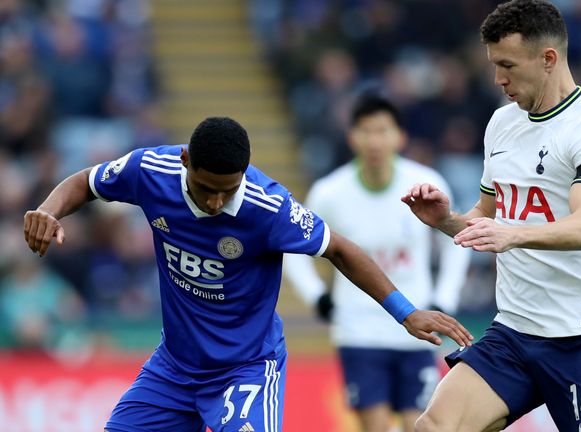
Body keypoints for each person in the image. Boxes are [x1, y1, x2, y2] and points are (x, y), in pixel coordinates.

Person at [22, 116, 473, 432]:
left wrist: (405, 312)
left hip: (247, 369)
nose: (217, 202)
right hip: (175, 367)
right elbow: (86, 181)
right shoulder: (149, 171)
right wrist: (47, 210)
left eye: (227, 189)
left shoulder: (268, 207)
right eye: (206, 189)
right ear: (184, 160)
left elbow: (339, 248)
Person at [401, 1, 581, 431]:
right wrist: (446, 220)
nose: (498, 79)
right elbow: (489, 219)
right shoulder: (501, 125)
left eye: (507, 64)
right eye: (493, 65)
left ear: (548, 59)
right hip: (514, 332)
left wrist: (512, 234)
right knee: (434, 427)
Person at [284, 93, 471, 432]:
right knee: (376, 427)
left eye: (383, 131)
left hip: (417, 330)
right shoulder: (330, 193)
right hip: (359, 331)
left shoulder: (426, 185)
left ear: (400, 136)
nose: (374, 140)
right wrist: (318, 298)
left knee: (422, 425)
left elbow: (458, 241)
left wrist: (445, 297)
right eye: (366, 131)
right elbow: (292, 250)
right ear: (351, 137)